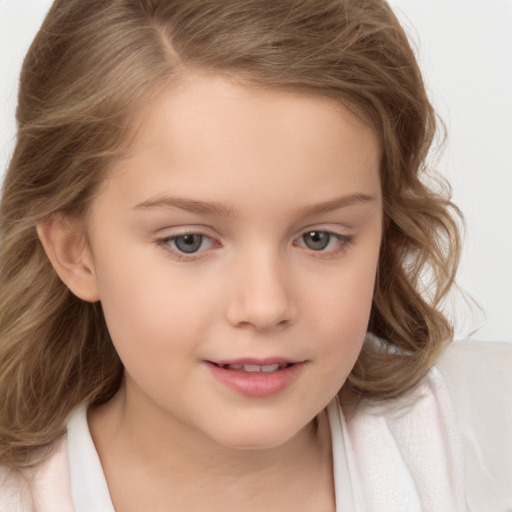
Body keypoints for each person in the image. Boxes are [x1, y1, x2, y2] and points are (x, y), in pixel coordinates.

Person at [0, 1, 510, 510]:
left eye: (319, 238)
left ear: (385, 236)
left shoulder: (484, 436)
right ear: (75, 252)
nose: (265, 307)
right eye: (189, 241)